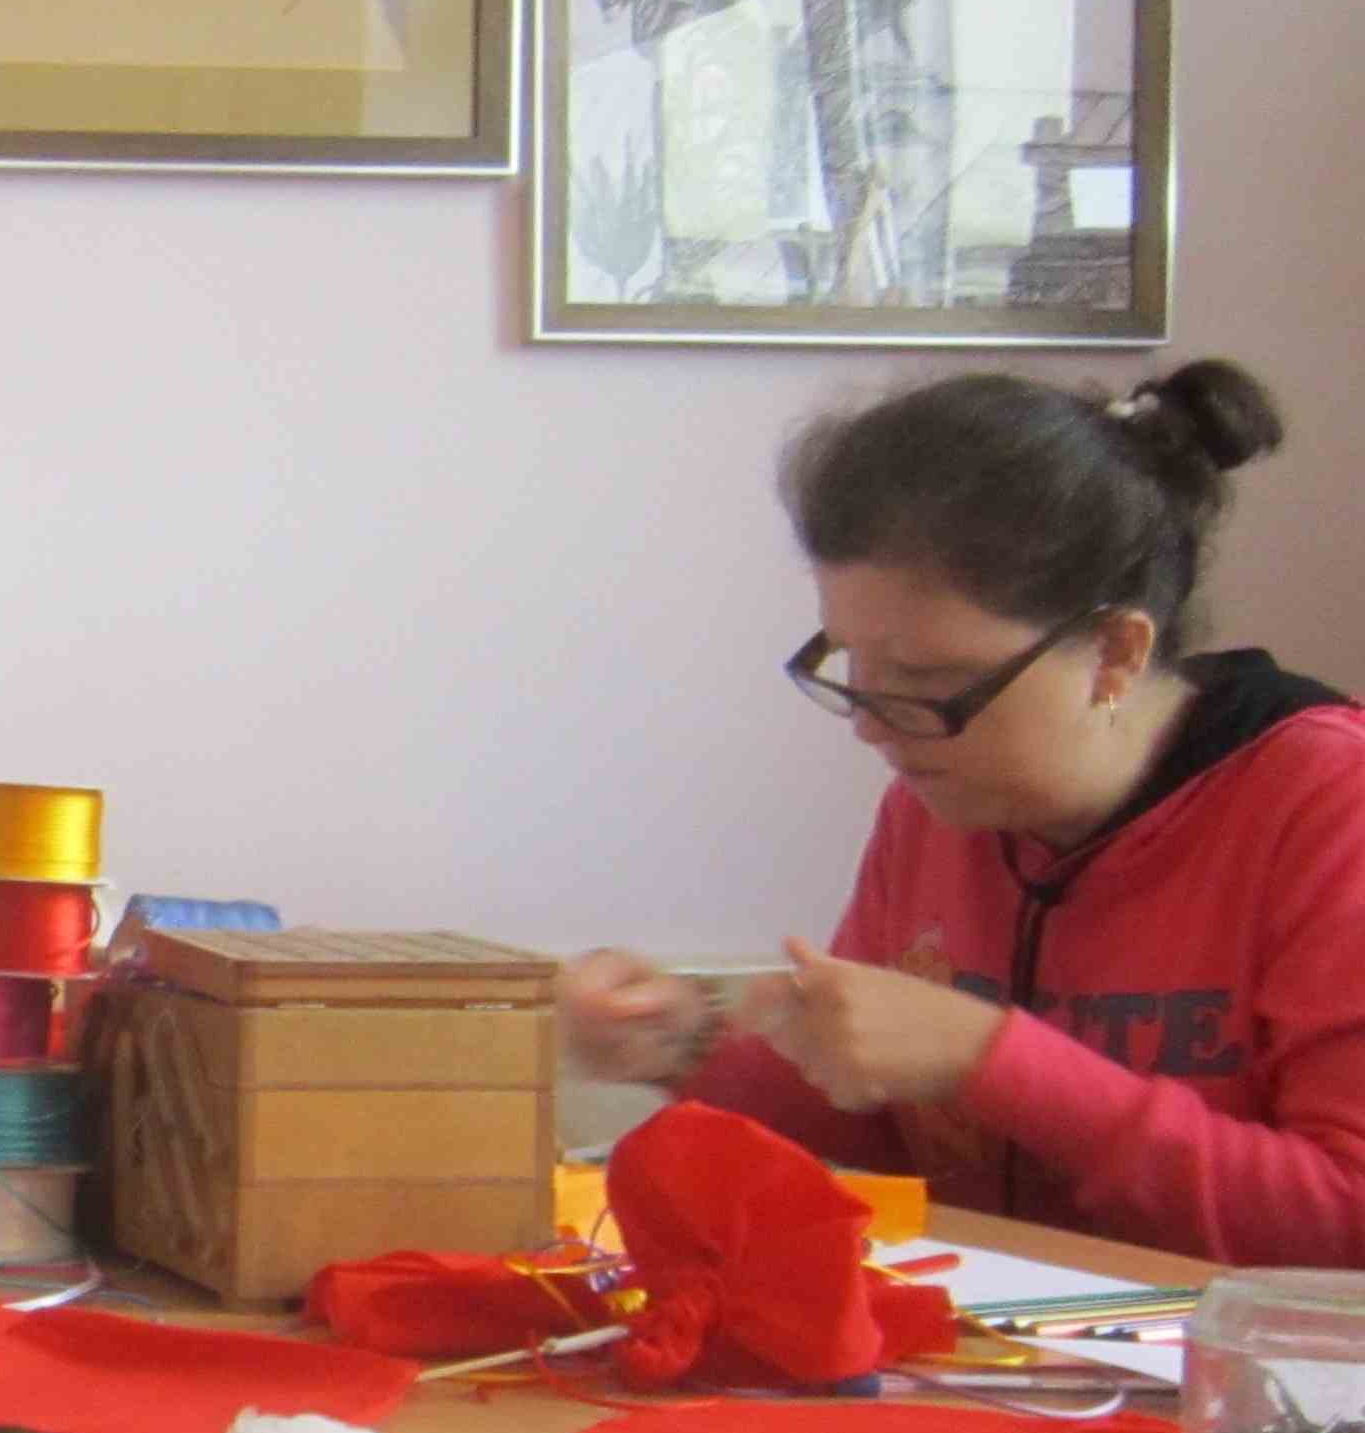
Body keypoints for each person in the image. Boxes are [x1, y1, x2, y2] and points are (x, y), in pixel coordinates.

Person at [561, 360, 1365, 1264]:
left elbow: (1344, 1227)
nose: (872, 728)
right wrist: (685, 1045)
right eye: (854, 668)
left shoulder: (1328, 803)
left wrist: (994, 1058)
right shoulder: (939, 796)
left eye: (927, 680)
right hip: (1014, 1333)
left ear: (1115, 654)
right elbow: (893, 1130)